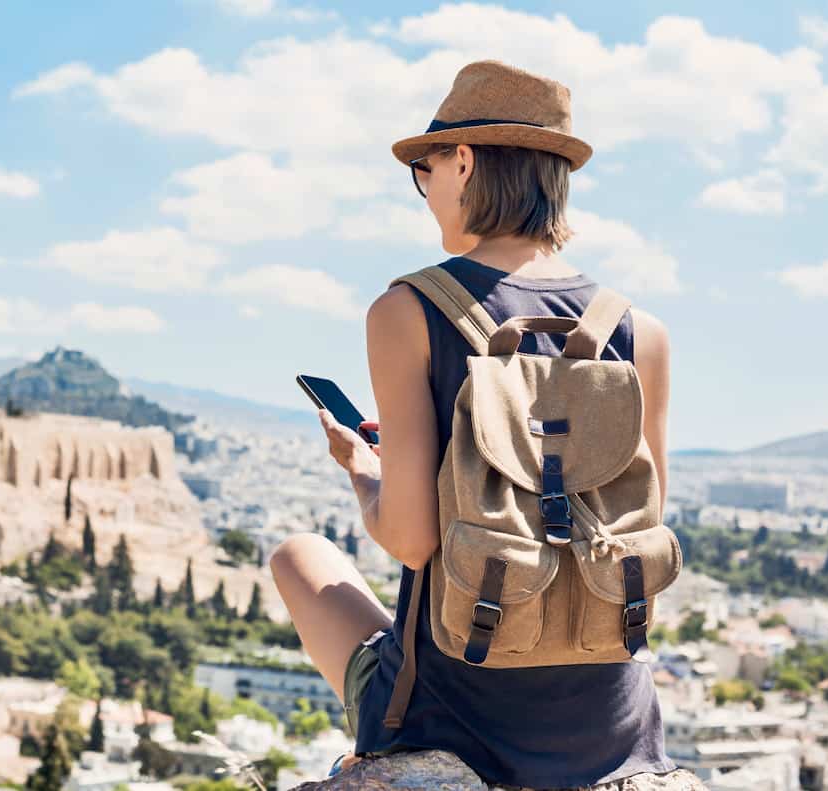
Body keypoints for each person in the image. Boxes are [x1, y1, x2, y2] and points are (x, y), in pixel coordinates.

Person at [269, 61, 706, 790]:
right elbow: (641, 523)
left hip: (456, 719)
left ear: (464, 161)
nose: (426, 188)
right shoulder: (642, 332)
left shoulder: (409, 311)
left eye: (426, 168)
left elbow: (411, 540)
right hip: (612, 727)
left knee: (297, 555)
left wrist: (367, 472)